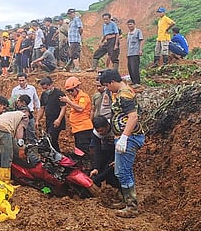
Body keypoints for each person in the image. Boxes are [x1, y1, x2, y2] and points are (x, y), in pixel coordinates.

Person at [99, 69, 145, 218]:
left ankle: (132, 206)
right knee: (124, 170)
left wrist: (124, 137)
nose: (107, 88)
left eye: (107, 85)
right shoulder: (122, 92)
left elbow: (133, 117)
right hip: (125, 136)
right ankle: (126, 200)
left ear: (112, 82)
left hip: (130, 137)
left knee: (122, 172)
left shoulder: (124, 94)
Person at [0, 107, 30, 184]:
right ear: (25, 112)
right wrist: (21, 148)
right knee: (6, 155)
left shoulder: (10, 115)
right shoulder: (24, 116)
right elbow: (20, 130)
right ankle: (5, 181)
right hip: (3, 129)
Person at [59, 76, 93, 154]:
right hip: (77, 129)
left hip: (84, 129)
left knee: (84, 151)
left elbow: (80, 108)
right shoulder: (75, 98)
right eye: (68, 91)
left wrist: (68, 101)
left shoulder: (83, 97)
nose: (70, 93)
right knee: (79, 150)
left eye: (71, 90)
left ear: (77, 87)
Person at [36, 76, 66, 152]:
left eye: (46, 88)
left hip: (57, 119)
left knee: (51, 138)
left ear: (51, 85)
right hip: (48, 120)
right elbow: (42, 108)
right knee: (51, 140)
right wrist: (37, 120)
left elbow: (63, 107)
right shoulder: (44, 95)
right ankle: (56, 156)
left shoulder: (59, 94)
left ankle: (57, 156)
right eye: (43, 89)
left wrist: (59, 120)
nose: (45, 90)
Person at [89, 116, 120, 190]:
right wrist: (96, 167)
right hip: (105, 149)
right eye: (98, 131)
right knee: (102, 168)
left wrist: (118, 160)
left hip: (118, 149)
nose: (100, 133)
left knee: (113, 170)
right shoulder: (95, 133)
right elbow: (97, 150)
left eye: (102, 130)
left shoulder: (116, 128)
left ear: (107, 126)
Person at [11, 73, 40, 143]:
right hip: (19, 114)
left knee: (31, 131)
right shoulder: (15, 90)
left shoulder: (32, 88)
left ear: (26, 80)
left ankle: (32, 147)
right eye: (19, 80)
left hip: (30, 113)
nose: (21, 82)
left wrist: (38, 109)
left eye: (22, 80)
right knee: (20, 131)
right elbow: (12, 101)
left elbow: (36, 99)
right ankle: (22, 147)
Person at [126, 19, 144, 87]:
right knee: (130, 67)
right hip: (129, 53)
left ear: (134, 24)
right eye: (128, 24)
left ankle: (137, 82)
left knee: (135, 68)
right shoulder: (128, 33)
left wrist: (140, 50)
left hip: (135, 52)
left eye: (130, 24)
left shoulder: (138, 31)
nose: (129, 26)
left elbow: (141, 41)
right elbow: (128, 44)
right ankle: (133, 81)